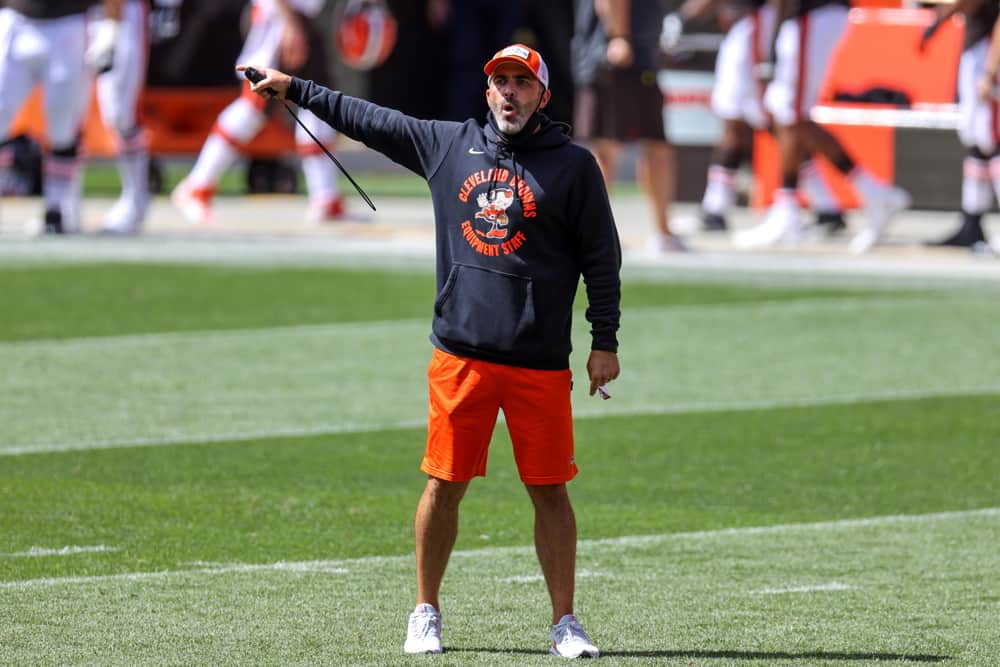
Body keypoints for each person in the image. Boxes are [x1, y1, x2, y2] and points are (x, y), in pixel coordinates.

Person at [241, 43, 621, 658]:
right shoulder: (450, 144)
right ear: (486, 91)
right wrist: (295, 88)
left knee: (550, 489)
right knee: (443, 484)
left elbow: (602, 261)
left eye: (522, 84)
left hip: (539, 361)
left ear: (543, 96)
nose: (509, 93)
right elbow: (368, 117)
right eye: (499, 81)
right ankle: (425, 611)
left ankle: (565, 623)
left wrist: (605, 340)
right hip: (461, 357)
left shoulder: (574, 167)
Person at [732, 0, 911, 252]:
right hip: (811, 17)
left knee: (790, 112)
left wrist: (771, 46)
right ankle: (865, 193)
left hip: (815, 14)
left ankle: (793, 208)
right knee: (785, 110)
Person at [660, 0, 845, 234]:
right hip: (753, 28)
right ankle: (716, 208)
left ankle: (823, 204)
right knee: (751, 121)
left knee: (777, 119)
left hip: (757, 26)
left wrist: (684, 18)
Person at [171, 0, 345, 225]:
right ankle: (197, 185)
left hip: (299, 18)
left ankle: (326, 198)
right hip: (279, 20)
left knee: (318, 105)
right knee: (253, 107)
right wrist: (288, 21)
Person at [572, 0, 682, 252]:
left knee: (655, 145)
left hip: (639, 56)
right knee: (604, 149)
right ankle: (592, 234)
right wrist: (619, 36)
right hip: (614, 56)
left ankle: (662, 233)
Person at [0, 0, 101, 234]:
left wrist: (110, 26)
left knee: (62, 123)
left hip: (68, 22)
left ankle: (57, 211)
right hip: (16, 19)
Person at [921, 0, 998, 252]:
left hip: (989, 54)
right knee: (977, 139)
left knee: (992, 138)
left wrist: (990, 70)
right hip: (979, 50)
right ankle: (971, 223)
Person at [89, 0, 155, 235]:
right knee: (67, 113)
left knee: (119, 113)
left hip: (122, 12)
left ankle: (136, 199)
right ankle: (62, 204)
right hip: (70, 14)